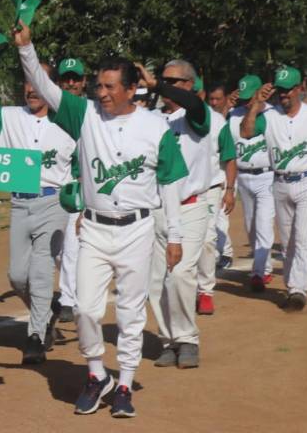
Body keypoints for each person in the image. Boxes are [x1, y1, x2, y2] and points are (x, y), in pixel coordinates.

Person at [15, 21, 187, 418]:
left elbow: (170, 184)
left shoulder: (154, 127)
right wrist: (27, 48)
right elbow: (45, 87)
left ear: (132, 89)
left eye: (111, 86)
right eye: (99, 86)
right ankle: (97, 375)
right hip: (93, 227)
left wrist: (174, 235)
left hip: (138, 229)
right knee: (87, 310)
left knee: (130, 310)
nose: (102, 92)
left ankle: (124, 383)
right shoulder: (85, 114)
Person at [0, 58, 77, 364]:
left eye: (37, 83)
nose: (31, 89)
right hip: (20, 202)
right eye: (26, 82)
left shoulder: (69, 121)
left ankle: (35, 336)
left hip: (54, 202)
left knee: (39, 272)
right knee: (16, 276)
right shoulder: (8, 116)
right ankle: (46, 311)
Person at [150, 59, 212, 370]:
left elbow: (191, 105)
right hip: (155, 210)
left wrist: (155, 85)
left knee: (181, 273)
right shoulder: (150, 119)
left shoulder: (198, 115)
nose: (168, 87)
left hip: (190, 207)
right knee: (156, 281)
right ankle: (168, 339)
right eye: (165, 80)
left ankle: (187, 339)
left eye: (175, 82)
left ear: (190, 85)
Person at [241, 67, 307, 311]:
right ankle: (291, 284)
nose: (283, 95)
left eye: (288, 90)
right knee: (288, 242)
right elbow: (246, 131)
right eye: (280, 90)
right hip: (281, 183)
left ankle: (297, 289)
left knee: (305, 237)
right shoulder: (269, 115)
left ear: (299, 89)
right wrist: (256, 104)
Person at [227, 75, 274, 288]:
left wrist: (256, 105)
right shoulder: (234, 115)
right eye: (243, 97)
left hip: (267, 177)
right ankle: (264, 267)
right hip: (244, 177)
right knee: (251, 227)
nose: (245, 101)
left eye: (250, 96)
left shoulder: (271, 114)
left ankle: (258, 273)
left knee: (264, 224)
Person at [196, 87, 237, 315]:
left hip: (210, 189)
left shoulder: (217, 121)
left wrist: (229, 190)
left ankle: (205, 292)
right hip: (178, 191)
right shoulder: (170, 120)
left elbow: (229, 157)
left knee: (208, 239)